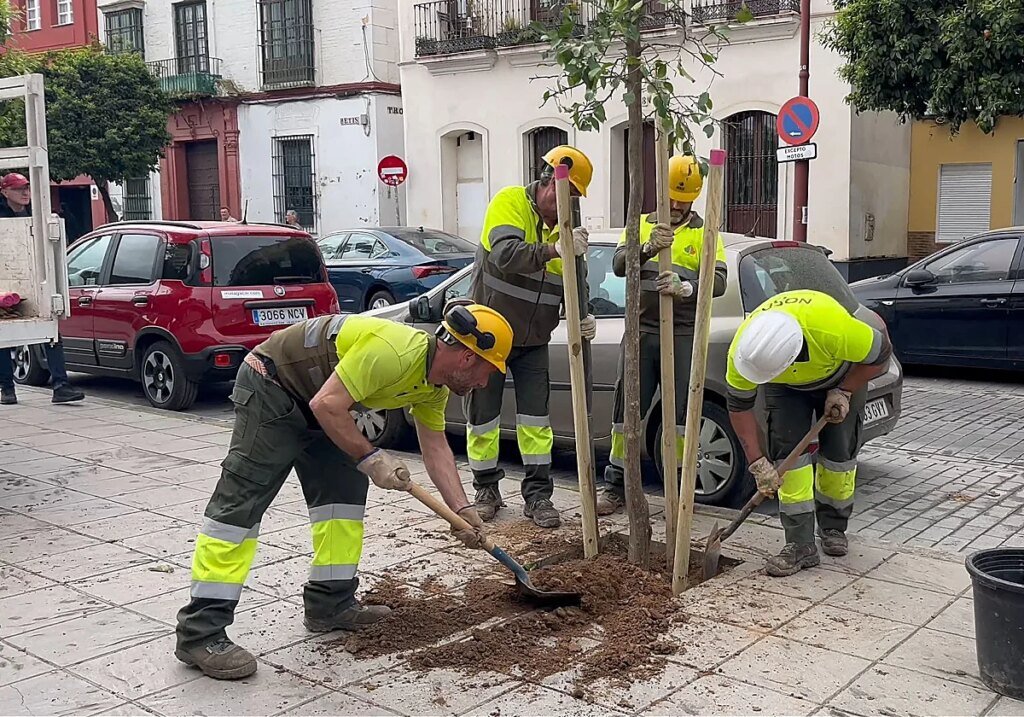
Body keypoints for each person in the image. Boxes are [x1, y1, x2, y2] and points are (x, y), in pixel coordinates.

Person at [175, 304, 512, 680]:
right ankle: (200, 632)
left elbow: (434, 446)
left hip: (325, 405)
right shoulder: (395, 351)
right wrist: (371, 456)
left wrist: (461, 508)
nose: (484, 383)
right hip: (273, 386)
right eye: (488, 371)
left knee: (343, 500)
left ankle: (330, 603)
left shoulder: (433, 386)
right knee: (239, 509)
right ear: (468, 357)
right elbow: (326, 403)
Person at [466, 145, 596, 529]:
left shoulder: (566, 230)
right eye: (563, 194)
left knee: (536, 423)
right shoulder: (509, 202)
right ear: (545, 183)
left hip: (535, 341)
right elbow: (506, 254)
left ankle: (538, 496)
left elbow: (577, 282)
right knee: (484, 420)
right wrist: (555, 248)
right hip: (488, 338)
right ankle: (485, 488)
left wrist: (583, 316)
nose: (564, 205)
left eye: (572, 199)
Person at [725, 289, 892, 576]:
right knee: (789, 459)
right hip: (785, 390)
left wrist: (844, 391)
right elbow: (739, 407)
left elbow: (882, 356)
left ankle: (833, 527)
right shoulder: (745, 350)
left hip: (840, 375)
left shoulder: (832, 330)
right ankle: (800, 544)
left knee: (839, 458)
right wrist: (756, 463)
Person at [597, 156, 727, 515]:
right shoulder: (639, 224)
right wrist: (647, 247)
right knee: (627, 413)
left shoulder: (707, 231)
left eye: (683, 199)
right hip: (641, 330)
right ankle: (615, 484)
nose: (675, 204)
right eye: (671, 196)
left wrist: (688, 287)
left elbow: (718, 282)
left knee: (683, 415)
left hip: (683, 334)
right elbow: (620, 265)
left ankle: (681, 487)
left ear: (695, 197)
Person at [0, 172, 84, 405]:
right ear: (5, 192)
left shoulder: (37, 215)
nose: (25, 193)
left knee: (52, 332)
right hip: (6, 282)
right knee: (4, 337)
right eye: (18, 189)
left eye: (27, 188)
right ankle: (7, 388)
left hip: (36, 282)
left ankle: (61, 385)